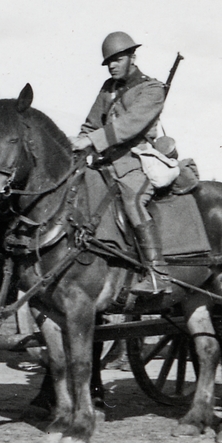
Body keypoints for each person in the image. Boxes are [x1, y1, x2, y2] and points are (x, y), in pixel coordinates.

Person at [70, 31, 171, 297]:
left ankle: (158, 273)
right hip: (104, 165)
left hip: (135, 164)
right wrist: (78, 143)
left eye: (118, 59)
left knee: (133, 202)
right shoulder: (108, 88)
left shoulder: (152, 89)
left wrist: (91, 140)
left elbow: (128, 126)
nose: (112, 65)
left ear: (132, 58)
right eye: (109, 62)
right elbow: (91, 124)